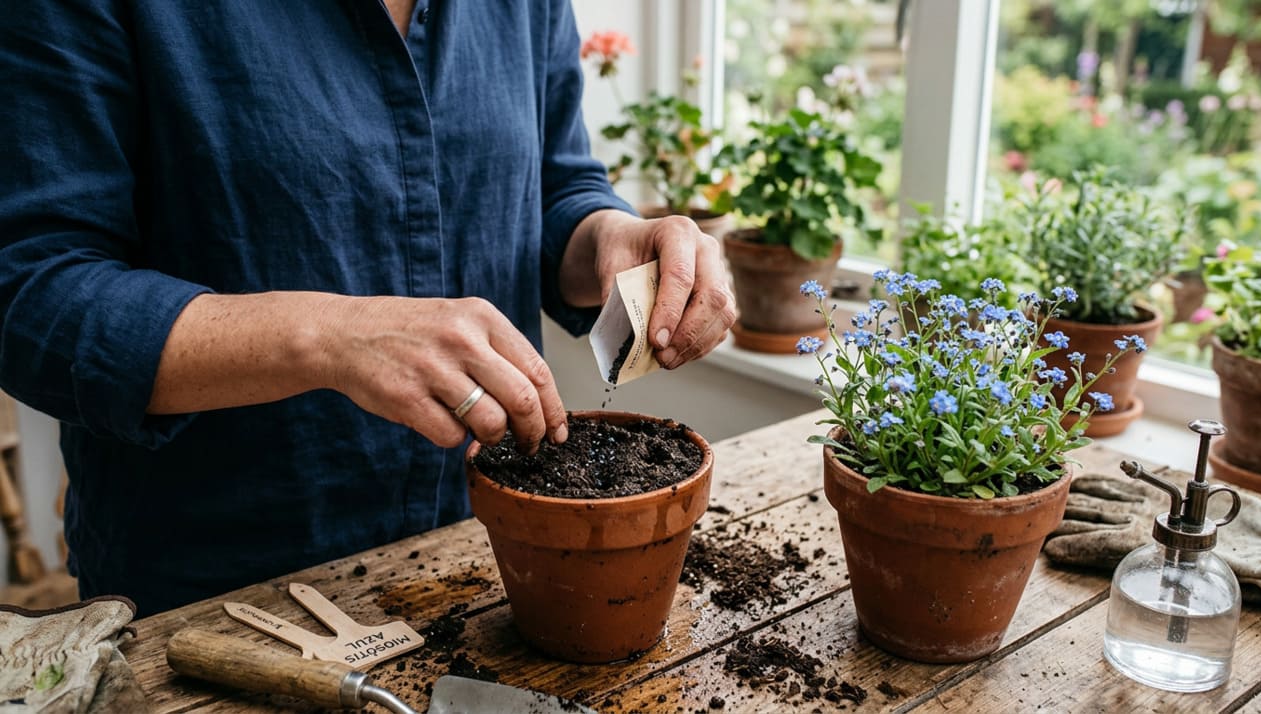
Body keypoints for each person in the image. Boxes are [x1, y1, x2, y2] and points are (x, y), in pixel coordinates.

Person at [0, 1, 734, 616]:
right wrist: (326, 335)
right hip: (219, 597)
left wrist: (610, 236)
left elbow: (552, 187)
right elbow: (32, 291)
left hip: (483, 566)